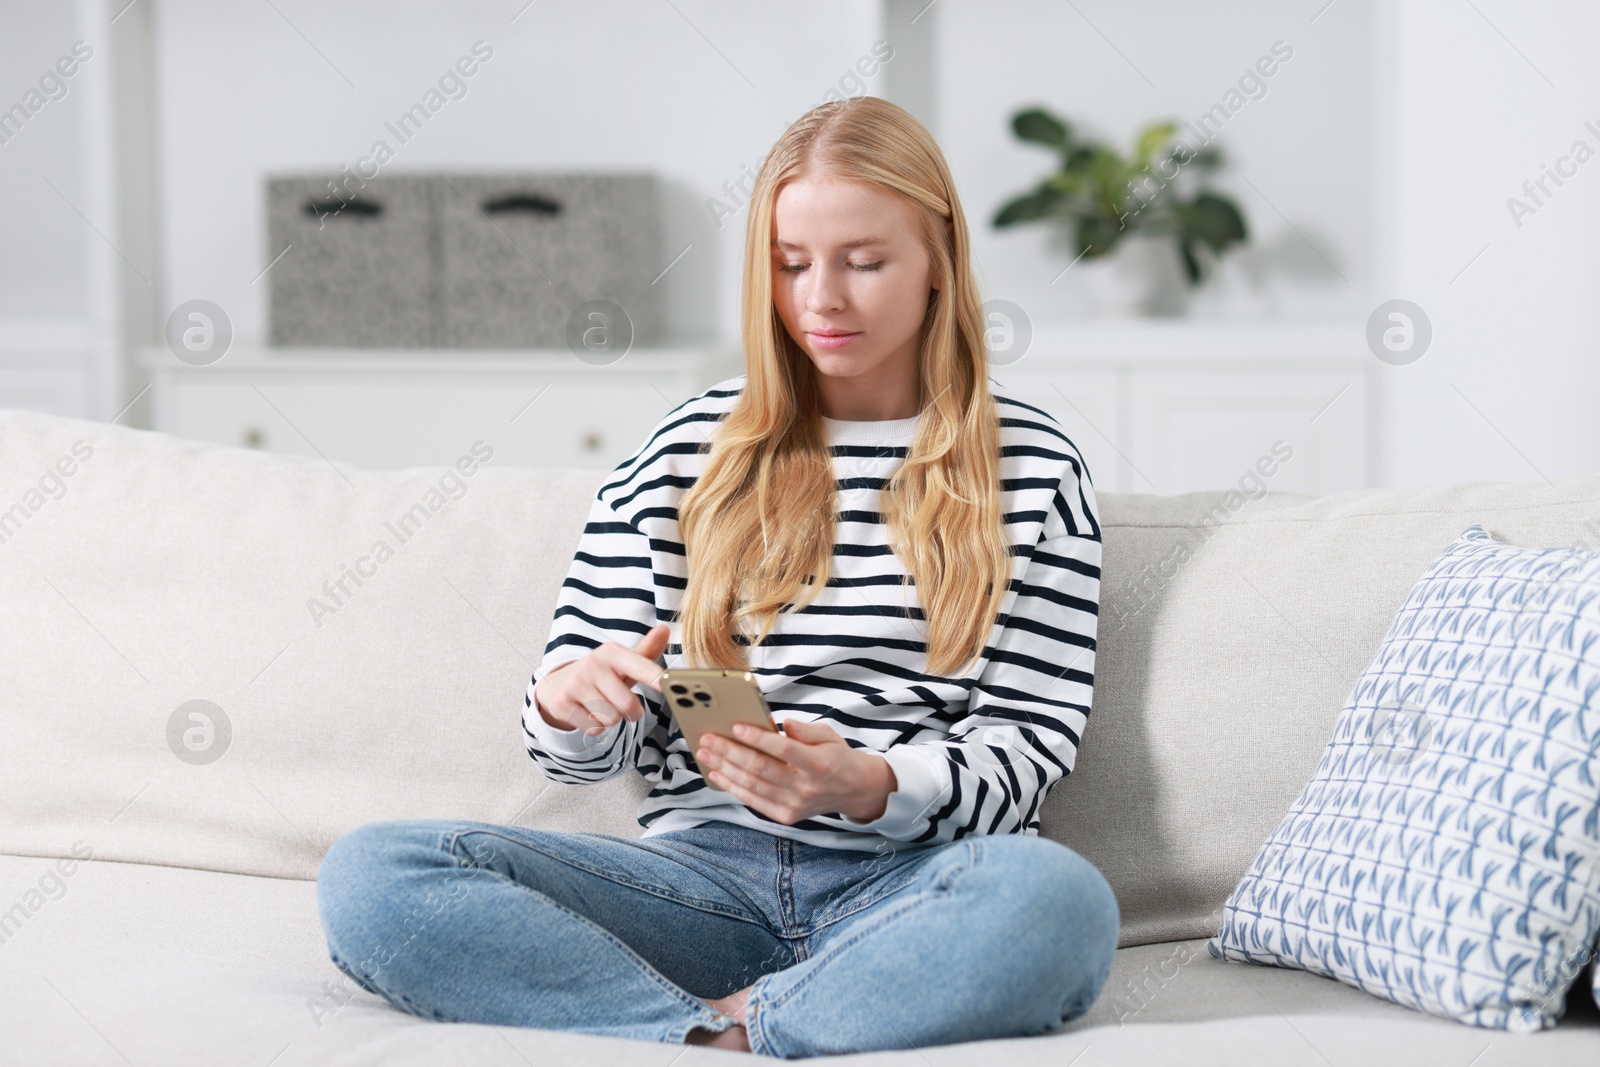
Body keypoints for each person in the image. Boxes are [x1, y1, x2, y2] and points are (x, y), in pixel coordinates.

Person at [317, 95, 1118, 1059]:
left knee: (1060, 904)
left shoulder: (1030, 468)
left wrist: (863, 782)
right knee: (374, 875)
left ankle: (754, 1021)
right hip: (700, 882)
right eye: (790, 265)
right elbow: (586, 747)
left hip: (912, 882)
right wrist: (572, 703)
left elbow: (1028, 746)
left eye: (864, 262)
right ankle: (703, 1029)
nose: (822, 298)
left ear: (941, 262)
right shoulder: (687, 448)